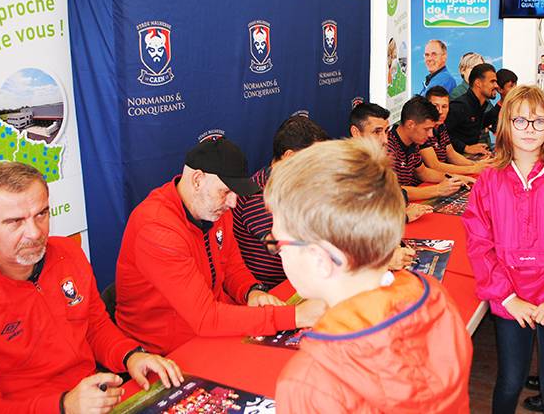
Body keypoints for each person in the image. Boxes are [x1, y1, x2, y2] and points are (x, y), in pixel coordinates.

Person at [0, 162, 184, 414]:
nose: (35, 232)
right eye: (15, 222)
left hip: (96, 399)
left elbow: (95, 327)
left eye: (41, 214)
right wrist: (65, 406)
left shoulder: (68, 253)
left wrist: (132, 356)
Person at [266, 138, 473, 413]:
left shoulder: (308, 382)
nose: (278, 253)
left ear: (320, 258)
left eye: (279, 243)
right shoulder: (436, 299)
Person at [115, 137, 325, 355]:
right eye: (225, 192)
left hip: (211, 332)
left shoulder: (214, 210)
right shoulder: (156, 228)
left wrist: (252, 292)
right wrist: (295, 316)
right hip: (166, 351)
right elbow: (205, 318)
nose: (233, 202)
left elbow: (233, 267)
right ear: (197, 180)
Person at [463, 85, 544, 414]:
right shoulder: (489, 181)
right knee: (510, 381)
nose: (529, 129)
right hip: (512, 299)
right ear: (505, 124)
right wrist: (507, 297)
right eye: (519, 121)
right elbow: (479, 242)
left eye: (538, 121)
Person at [233, 116, 329, 288]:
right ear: (289, 156)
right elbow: (283, 248)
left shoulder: (296, 184)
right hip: (272, 293)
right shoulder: (257, 197)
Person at [349, 102, 434, 224]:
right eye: (377, 132)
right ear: (356, 132)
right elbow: (355, 219)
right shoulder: (345, 168)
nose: (385, 139)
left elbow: (394, 194)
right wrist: (402, 217)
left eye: (386, 131)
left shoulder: (376, 159)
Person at [388, 96, 466, 201]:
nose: (430, 135)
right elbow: (391, 191)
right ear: (411, 124)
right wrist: (438, 189)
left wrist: (453, 178)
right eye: (427, 129)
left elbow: (422, 172)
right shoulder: (388, 147)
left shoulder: (413, 141)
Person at [421, 86, 489, 176]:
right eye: (435, 106)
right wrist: (472, 169)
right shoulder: (423, 129)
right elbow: (435, 165)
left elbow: (451, 155)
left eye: (444, 106)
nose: (440, 111)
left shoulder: (441, 126)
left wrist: (476, 165)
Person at [446, 63, 501, 156]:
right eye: (492, 81)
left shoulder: (480, 105)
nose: (496, 85)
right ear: (478, 83)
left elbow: (483, 122)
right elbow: (442, 135)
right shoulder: (459, 106)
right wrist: (466, 148)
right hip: (456, 160)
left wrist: (502, 102)